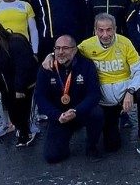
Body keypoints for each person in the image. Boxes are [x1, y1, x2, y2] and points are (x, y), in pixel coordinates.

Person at [55, 13, 140, 157]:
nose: (105, 34)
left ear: (115, 29)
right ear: (95, 30)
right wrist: (50, 57)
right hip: (104, 98)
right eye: (101, 30)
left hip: (125, 92)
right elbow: (67, 52)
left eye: (109, 29)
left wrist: (130, 90)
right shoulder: (86, 45)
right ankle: (114, 121)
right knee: (112, 146)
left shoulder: (125, 43)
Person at [35, 35, 103, 163]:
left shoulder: (86, 65)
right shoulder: (46, 67)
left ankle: (92, 147)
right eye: (58, 48)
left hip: (80, 112)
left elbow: (94, 94)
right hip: (59, 116)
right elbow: (40, 97)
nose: (61, 52)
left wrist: (76, 111)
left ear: (75, 50)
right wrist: (57, 115)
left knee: (97, 113)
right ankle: (63, 141)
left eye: (65, 48)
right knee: (52, 157)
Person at [0, 21, 39, 146]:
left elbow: (22, 66)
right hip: (7, 87)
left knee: (25, 111)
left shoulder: (15, 42)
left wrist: (20, 88)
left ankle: (27, 133)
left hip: (26, 85)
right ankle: (21, 129)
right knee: (14, 114)